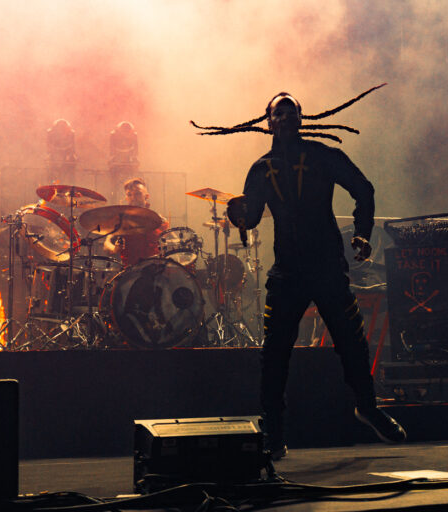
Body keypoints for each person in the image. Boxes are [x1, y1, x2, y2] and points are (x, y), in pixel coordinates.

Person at [195, 87, 406, 459]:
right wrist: (239, 215)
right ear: (268, 122)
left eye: (292, 112)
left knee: (352, 341)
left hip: (326, 266)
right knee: (275, 353)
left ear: (301, 118)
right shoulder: (261, 170)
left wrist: (362, 232)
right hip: (288, 272)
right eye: (279, 113)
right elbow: (252, 217)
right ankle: (274, 431)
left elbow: (364, 189)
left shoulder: (323, 156)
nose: (286, 118)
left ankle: (367, 406)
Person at [104, 177, 169, 267]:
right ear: (126, 198)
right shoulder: (121, 220)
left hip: (155, 268)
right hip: (130, 270)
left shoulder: (159, 221)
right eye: (129, 194)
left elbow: (167, 246)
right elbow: (106, 244)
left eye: (138, 193)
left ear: (146, 196)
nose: (133, 197)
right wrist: (114, 248)